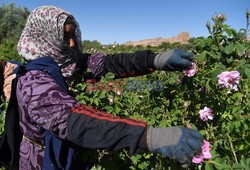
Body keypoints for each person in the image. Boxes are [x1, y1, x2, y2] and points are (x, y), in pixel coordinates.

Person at [0, 6, 204, 170]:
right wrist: (149, 137)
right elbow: (75, 121)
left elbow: (108, 63)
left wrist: (155, 59)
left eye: (73, 35)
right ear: (45, 36)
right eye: (65, 36)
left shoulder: (67, 63)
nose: (72, 44)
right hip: (44, 161)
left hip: (73, 155)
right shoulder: (34, 82)